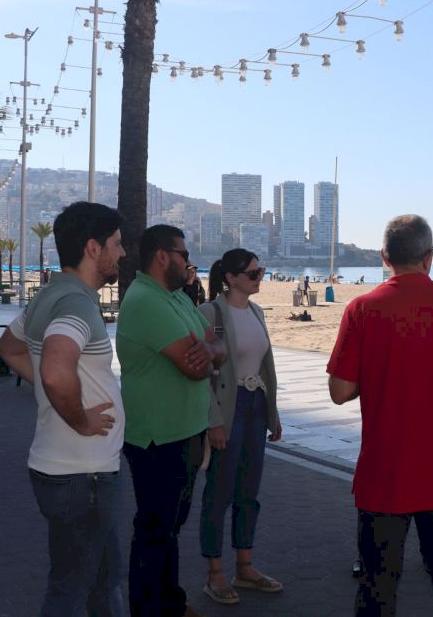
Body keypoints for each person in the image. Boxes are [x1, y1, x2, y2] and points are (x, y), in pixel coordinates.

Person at [328, 214, 433, 617]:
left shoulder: (362, 309)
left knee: (378, 585)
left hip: (385, 472)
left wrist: (381, 376)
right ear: (429, 257)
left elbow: (340, 391)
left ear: (385, 257)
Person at [0, 201, 128, 617]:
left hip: (65, 469)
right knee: (71, 590)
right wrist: (79, 416)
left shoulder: (49, 295)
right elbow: (54, 370)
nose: (123, 253)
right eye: (117, 244)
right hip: (82, 475)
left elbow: (9, 348)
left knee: (102, 579)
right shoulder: (78, 304)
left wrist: (59, 393)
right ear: (93, 248)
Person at [117, 225, 224, 617]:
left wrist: (209, 350)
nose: (188, 261)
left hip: (186, 431)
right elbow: (195, 367)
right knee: (155, 529)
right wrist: (209, 356)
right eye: (184, 254)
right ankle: (149, 609)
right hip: (157, 438)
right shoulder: (146, 300)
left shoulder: (176, 296)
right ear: (162, 256)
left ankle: (170, 603)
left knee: (169, 527)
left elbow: (217, 344)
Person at [197, 249, 283, 605]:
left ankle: (245, 566)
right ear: (231, 278)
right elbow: (203, 375)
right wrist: (213, 421)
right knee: (219, 492)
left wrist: (272, 413)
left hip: (255, 406)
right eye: (252, 273)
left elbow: (265, 368)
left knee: (249, 490)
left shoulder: (256, 311)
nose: (259, 278)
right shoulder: (210, 313)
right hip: (228, 408)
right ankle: (215, 572)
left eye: (261, 272)